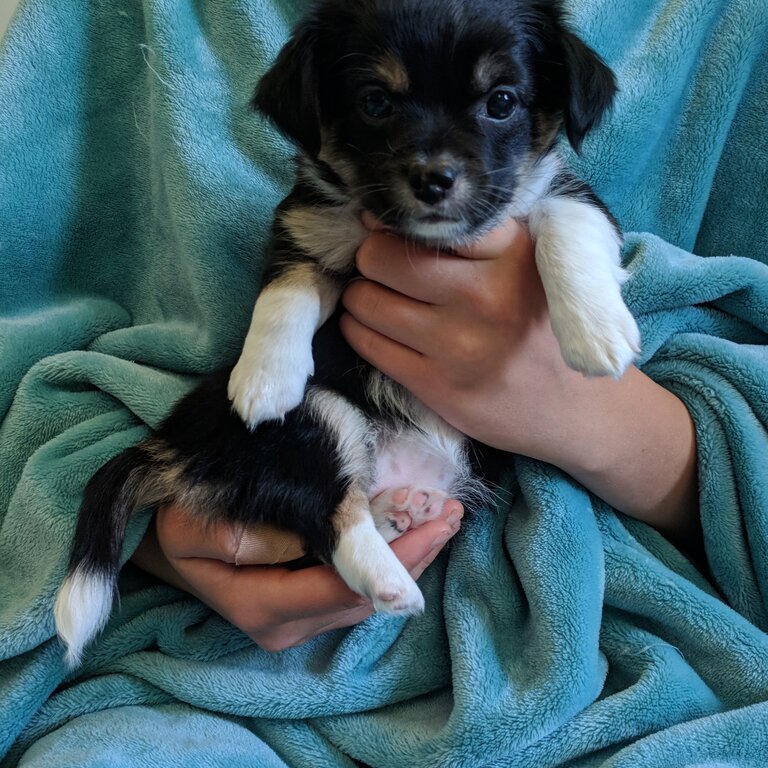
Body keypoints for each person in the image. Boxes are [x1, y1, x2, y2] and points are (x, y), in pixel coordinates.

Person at [131, 215, 701, 652]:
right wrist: (159, 547)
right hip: (185, 618)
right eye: (377, 107)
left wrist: (609, 415)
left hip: (596, 597)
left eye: (499, 104)